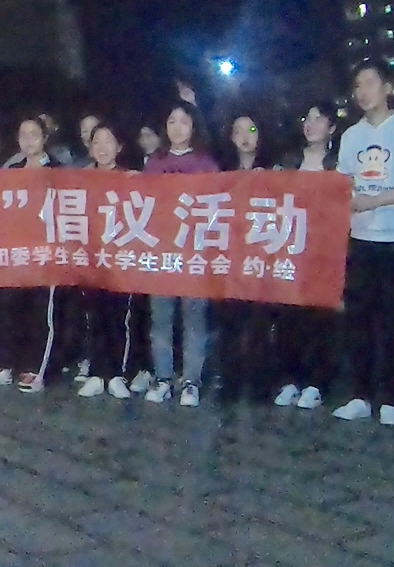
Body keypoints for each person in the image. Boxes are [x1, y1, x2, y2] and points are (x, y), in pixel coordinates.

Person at [333, 60, 394, 427]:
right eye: (358, 85)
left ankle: (393, 398)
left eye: (370, 83)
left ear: (389, 88)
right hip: (361, 238)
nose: (363, 91)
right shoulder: (351, 136)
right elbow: (343, 182)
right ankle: (360, 394)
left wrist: (374, 201)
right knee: (358, 319)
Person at [140, 103, 218, 406]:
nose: (177, 127)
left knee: (194, 320)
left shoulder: (205, 163)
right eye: (171, 121)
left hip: (194, 253)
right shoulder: (155, 163)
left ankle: (191, 382)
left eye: (184, 121)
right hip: (161, 253)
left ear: (194, 126)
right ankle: (163, 378)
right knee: (161, 320)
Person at [269, 101, 342, 411]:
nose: (310, 124)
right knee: (289, 317)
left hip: (325, 251)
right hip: (291, 249)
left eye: (318, 119)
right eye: (307, 118)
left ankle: (316, 383)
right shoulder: (289, 161)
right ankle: (290, 379)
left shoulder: (339, 163)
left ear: (332, 127)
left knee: (319, 318)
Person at [0, 117, 62, 392]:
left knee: (39, 311)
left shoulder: (57, 171)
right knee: (9, 308)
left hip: (44, 254)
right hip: (16, 253)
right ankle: (7, 363)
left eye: (34, 134)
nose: (29, 140)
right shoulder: (12, 171)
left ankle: (34, 368)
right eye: (23, 134)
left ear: (45, 138)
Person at [70, 123, 141, 399]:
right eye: (96, 141)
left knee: (118, 317)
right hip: (91, 259)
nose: (102, 147)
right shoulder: (81, 179)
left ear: (119, 147)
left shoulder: (128, 178)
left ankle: (116, 374)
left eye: (108, 141)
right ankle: (96, 374)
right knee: (94, 317)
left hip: (119, 261)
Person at [214, 113, 275, 404]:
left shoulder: (276, 172)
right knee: (230, 324)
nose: (244, 136)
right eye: (237, 131)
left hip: (262, 259)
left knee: (260, 323)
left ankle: (260, 383)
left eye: (251, 129)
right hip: (230, 259)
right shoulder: (221, 174)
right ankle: (230, 381)